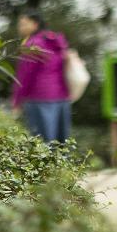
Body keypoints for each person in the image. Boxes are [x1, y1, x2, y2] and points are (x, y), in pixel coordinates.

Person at [10, 11, 72, 144]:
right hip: (61, 97)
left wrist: (17, 101)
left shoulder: (32, 45)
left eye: (24, 24)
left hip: (39, 98)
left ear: (35, 24)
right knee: (62, 143)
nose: (20, 28)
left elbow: (25, 76)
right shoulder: (56, 41)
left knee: (43, 144)